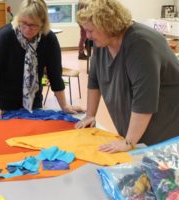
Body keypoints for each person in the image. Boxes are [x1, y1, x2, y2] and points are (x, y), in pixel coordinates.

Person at [75, 0, 179, 153]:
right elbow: (94, 80)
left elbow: (145, 100)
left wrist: (129, 142)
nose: (88, 36)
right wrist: (90, 115)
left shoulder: (141, 45)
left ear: (107, 25)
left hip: (167, 133)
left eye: (90, 31)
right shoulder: (103, 42)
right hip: (138, 129)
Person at [0, 0, 84, 118]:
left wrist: (65, 106)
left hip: (33, 101)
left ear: (42, 24)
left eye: (33, 25)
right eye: (24, 23)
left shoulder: (49, 39)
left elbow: (55, 75)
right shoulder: (5, 36)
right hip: (4, 102)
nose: (27, 29)